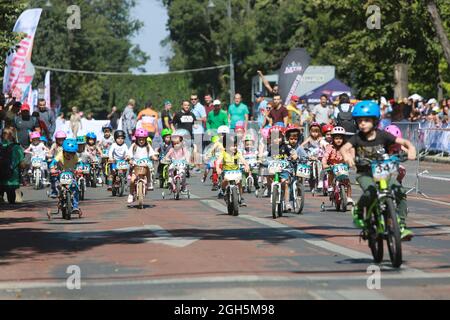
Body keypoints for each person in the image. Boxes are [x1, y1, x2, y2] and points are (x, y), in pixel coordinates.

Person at [340, 101, 416, 240]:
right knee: (370, 191)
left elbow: (404, 142)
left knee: (399, 191)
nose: (363, 123)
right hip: (365, 173)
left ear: (375, 121)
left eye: (367, 120)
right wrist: (347, 157)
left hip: (384, 173)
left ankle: (402, 224)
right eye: (360, 120)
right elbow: (344, 149)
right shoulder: (357, 138)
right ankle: (358, 211)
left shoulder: (383, 135)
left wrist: (411, 149)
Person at [215, 136, 250, 207]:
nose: (234, 148)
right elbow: (218, 162)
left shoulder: (238, 153)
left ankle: (240, 197)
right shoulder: (223, 153)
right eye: (232, 146)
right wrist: (218, 168)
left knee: (239, 182)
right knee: (225, 180)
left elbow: (243, 160)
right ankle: (223, 190)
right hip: (227, 171)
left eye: (235, 146)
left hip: (236, 171)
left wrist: (246, 165)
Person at [49, 139, 81, 214]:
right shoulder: (60, 155)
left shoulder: (75, 156)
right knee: (55, 180)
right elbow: (53, 162)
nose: (70, 155)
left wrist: (79, 169)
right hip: (61, 172)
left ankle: (75, 206)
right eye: (68, 153)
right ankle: (54, 191)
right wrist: (52, 168)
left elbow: (80, 163)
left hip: (71, 173)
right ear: (64, 151)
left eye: (72, 153)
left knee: (75, 188)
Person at [322, 126, 353, 203]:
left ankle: (348, 197)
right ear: (333, 139)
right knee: (331, 173)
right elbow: (325, 157)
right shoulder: (330, 147)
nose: (338, 140)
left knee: (347, 182)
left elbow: (349, 155)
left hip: (343, 166)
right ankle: (330, 186)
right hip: (332, 166)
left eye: (340, 138)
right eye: (336, 138)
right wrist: (324, 164)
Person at [127, 128, 159, 203]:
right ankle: (131, 194)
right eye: (140, 139)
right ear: (137, 139)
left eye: (143, 139)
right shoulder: (133, 146)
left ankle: (149, 183)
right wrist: (128, 158)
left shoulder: (148, 146)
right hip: (136, 165)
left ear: (145, 139)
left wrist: (154, 157)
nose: (141, 141)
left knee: (148, 170)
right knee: (132, 180)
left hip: (145, 164)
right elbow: (129, 154)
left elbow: (152, 154)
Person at [0, 128, 26, 204]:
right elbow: (22, 164)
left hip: (1, 177)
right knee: (12, 199)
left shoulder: (1, 146)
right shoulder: (17, 147)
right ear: (12, 136)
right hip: (12, 178)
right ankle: (15, 197)